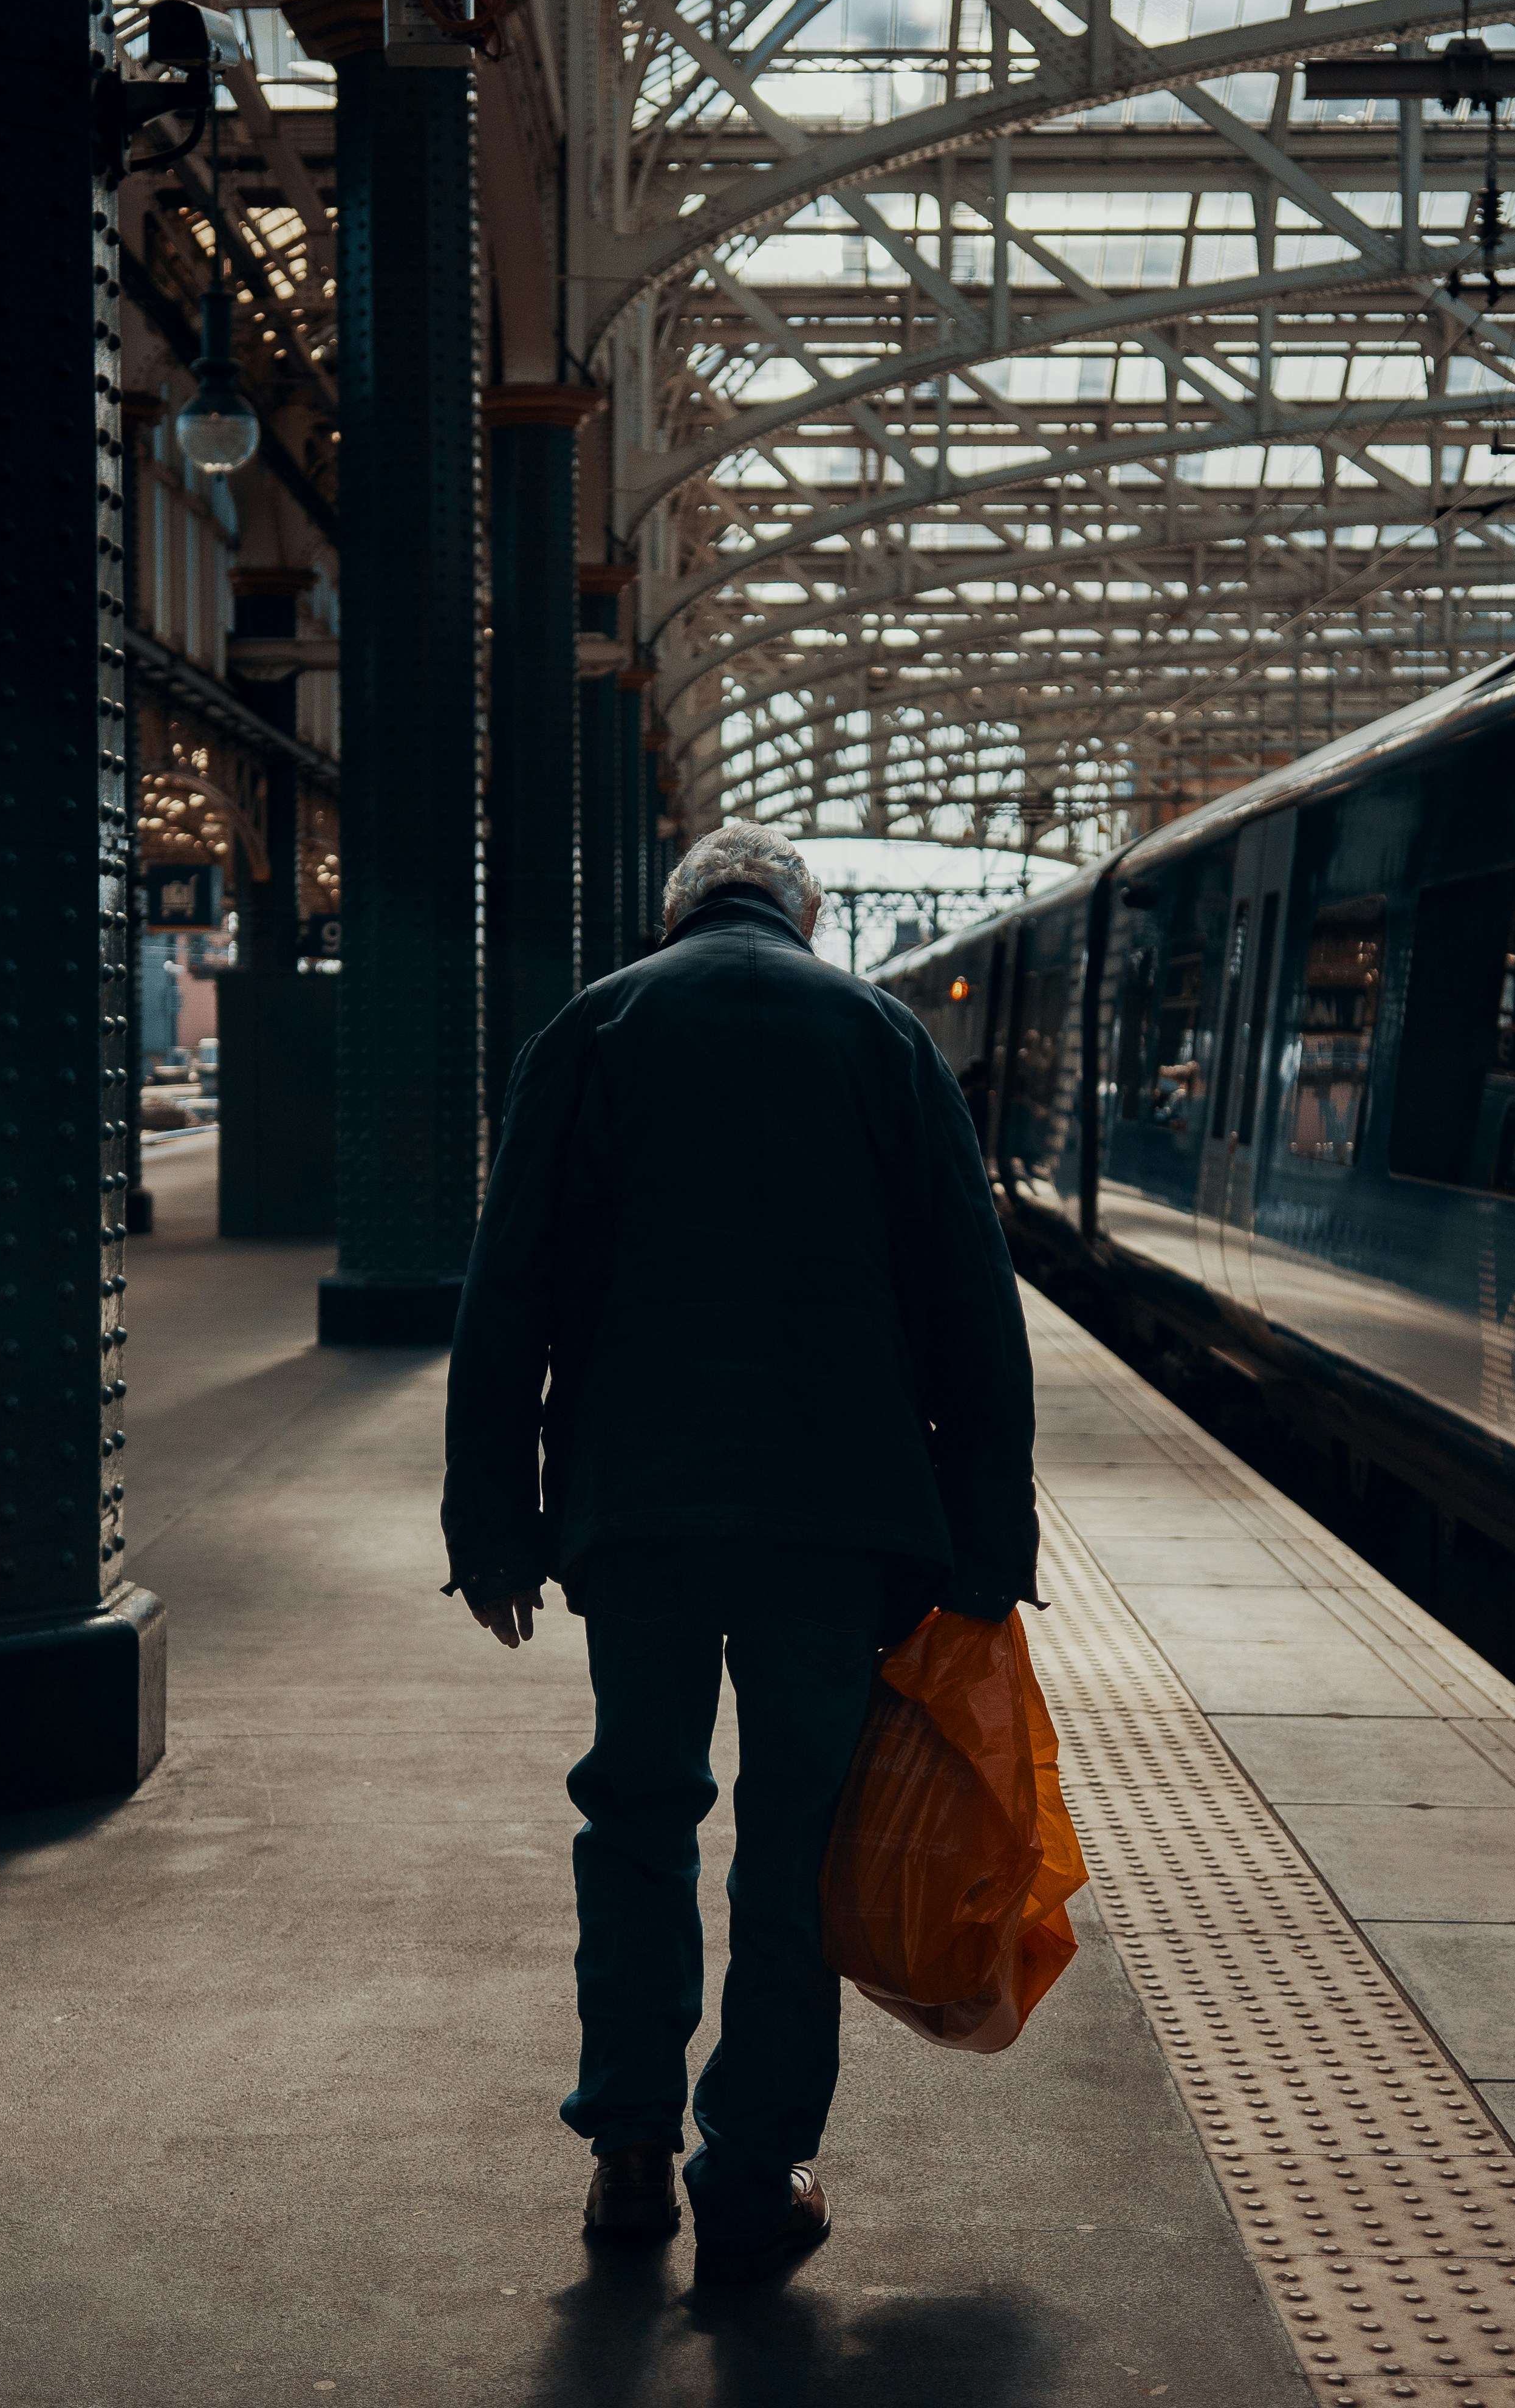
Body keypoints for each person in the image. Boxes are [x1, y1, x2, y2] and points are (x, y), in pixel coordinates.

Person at [443, 822, 1036, 2286]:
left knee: (636, 1811)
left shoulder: (590, 1030)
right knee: (797, 1843)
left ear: (677, 913)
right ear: (806, 914)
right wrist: (988, 1541)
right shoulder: (887, 1040)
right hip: (837, 1532)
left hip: (636, 1514)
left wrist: (492, 1529)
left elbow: (503, 1295)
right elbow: (976, 1305)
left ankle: (629, 2154)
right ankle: (753, 2182)